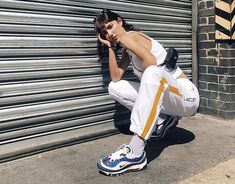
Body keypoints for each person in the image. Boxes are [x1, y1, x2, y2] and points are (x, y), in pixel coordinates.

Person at [93, 9, 199, 176]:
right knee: (115, 87)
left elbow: (150, 62)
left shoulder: (130, 37)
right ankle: (163, 119)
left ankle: (136, 152)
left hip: (187, 97)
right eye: (104, 32)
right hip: (170, 99)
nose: (109, 33)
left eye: (111, 26)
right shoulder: (125, 48)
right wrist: (110, 48)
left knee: (151, 71)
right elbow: (115, 77)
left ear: (120, 21)